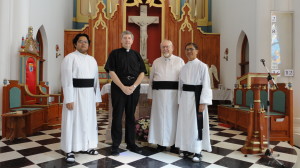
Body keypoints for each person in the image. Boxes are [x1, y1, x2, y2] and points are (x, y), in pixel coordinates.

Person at [61, 33, 102, 163]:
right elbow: (66, 80)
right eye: (80, 41)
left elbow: (96, 81)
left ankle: (86, 146)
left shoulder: (92, 60)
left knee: (88, 121)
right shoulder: (70, 58)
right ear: (75, 44)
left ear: (88, 45)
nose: (83, 44)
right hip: (75, 94)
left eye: (85, 42)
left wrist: (96, 98)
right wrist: (69, 99)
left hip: (89, 95)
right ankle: (69, 150)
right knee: (73, 121)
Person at [104, 30, 147, 156]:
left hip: (133, 88)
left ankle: (131, 143)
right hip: (118, 88)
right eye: (125, 38)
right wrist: (123, 87)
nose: (127, 40)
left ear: (132, 41)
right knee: (117, 116)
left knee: (130, 116)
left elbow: (142, 72)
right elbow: (111, 71)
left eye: (129, 38)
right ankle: (115, 145)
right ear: (121, 40)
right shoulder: (114, 53)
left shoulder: (137, 54)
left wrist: (133, 86)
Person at [175, 42, 212, 162]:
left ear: (197, 51)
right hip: (185, 99)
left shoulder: (202, 66)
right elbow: (180, 86)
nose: (189, 52)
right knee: (185, 124)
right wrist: (179, 100)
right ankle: (185, 148)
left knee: (196, 125)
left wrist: (203, 102)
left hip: (197, 99)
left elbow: (206, 85)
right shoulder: (183, 67)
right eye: (187, 49)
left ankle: (197, 150)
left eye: (191, 49)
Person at [147, 40, 184, 153]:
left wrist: (181, 97)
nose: (165, 49)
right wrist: (150, 95)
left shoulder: (179, 61)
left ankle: (174, 144)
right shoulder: (156, 62)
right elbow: (151, 80)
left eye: (167, 47)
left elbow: (182, 81)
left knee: (173, 119)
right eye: (163, 47)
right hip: (158, 96)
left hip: (174, 96)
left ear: (172, 48)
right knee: (159, 118)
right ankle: (160, 143)